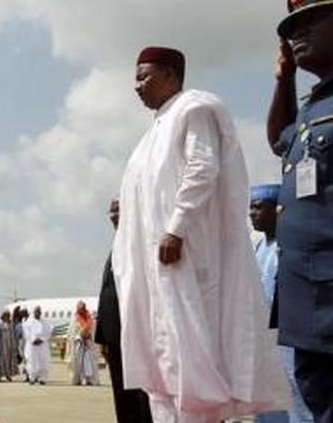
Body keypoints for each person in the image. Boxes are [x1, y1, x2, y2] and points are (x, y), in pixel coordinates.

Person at [113, 46, 289, 421]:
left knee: (193, 360)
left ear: (171, 77)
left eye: (144, 76)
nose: (136, 86)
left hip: (187, 259)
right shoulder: (154, 131)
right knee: (163, 366)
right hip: (157, 270)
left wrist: (176, 228)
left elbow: (202, 166)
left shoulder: (193, 109)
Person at [269, 0, 333, 421]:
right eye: (291, 28)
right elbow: (279, 140)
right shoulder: (312, 107)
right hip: (309, 301)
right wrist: (284, 79)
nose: (296, 34)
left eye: (310, 21)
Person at [250, 184, 313, 423]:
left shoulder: (288, 246)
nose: (252, 214)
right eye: (250, 208)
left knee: (294, 390)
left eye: (258, 207)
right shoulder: (258, 247)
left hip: (288, 335)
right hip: (265, 337)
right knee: (268, 394)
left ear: (277, 210)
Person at [95, 198, 152, 423]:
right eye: (111, 212)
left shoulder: (141, 243)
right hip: (114, 336)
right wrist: (102, 336)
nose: (113, 216)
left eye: (118, 210)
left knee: (141, 393)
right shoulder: (116, 246)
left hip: (136, 333)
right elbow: (106, 293)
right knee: (121, 392)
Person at [69, 300, 100, 386]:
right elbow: (72, 332)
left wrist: (89, 336)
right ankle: (79, 379)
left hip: (89, 344)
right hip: (78, 344)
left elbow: (93, 330)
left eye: (83, 308)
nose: (81, 310)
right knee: (79, 363)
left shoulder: (89, 318)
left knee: (89, 362)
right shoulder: (75, 318)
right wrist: (79, 337)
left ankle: (89, 379)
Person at [22, 306, 51, 385]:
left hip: (42, 345)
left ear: (40, 313)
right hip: (32, 346)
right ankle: (32, 378)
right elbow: (26, 333)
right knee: (32, 361)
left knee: (43, 361)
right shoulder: (29, 322)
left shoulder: (45, 323)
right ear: (34, 312)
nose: (38, 313)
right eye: (36, 311)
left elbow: (48, 333)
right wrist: (33, 340)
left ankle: (42, 378)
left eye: (39, 312)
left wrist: (42, 339)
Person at [0, 310, 19, 382]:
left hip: (11, 345)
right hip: (3, 345)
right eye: (7, 315)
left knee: (10, 360)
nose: (8, 317)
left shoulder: (12, 324)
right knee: (3, 361)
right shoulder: (0, 324)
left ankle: (8, 375)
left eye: (9, 315)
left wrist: (16, 345)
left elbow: (14, 334)